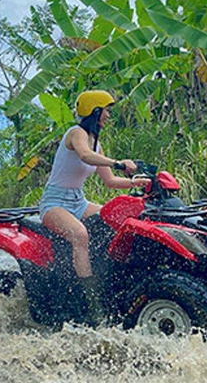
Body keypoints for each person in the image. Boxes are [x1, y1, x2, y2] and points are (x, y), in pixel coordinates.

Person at [39, 90, 149, 325]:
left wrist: (135, 182)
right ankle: (92, 303)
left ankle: (112, 275)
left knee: (115, 220)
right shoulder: (76, 133)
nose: (109, 115)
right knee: (80, 235)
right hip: (55, 203)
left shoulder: (97, 144)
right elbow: (85, 156)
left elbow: (109, 182)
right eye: (106, 110)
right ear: (95, 111)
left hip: (79, 201)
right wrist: (119, 163)